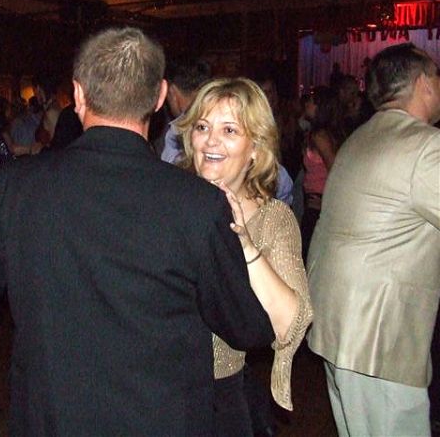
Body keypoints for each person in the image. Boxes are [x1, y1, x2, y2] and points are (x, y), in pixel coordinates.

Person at [0, 27, 275, 435]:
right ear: (160, 96)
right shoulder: (197, 203)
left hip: (54, 422)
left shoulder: (18, 186)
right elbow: (246, 326)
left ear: (78, 94)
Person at [307, 43, 440, 437]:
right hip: (378, 339)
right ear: (424, 83)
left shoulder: (361, 138)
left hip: (343, 327)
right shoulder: (425, 145)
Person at [177, 77, 313, 436]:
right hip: (155, 387)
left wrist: (246, 244)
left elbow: (291, 323)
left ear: (255, 147)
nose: (211, 141)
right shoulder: (166, 199)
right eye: (202, 127)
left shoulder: (272, 219)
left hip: (219, 396)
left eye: (229, 130)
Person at [300, 86, 346, 260]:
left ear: (321, 107)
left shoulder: (320, 136)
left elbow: (335, 169)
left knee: (310, 255)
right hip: (317, 201)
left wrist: (326, 201)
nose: (307, 103)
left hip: (319, 203)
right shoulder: (320, 133)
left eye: (312, 101)